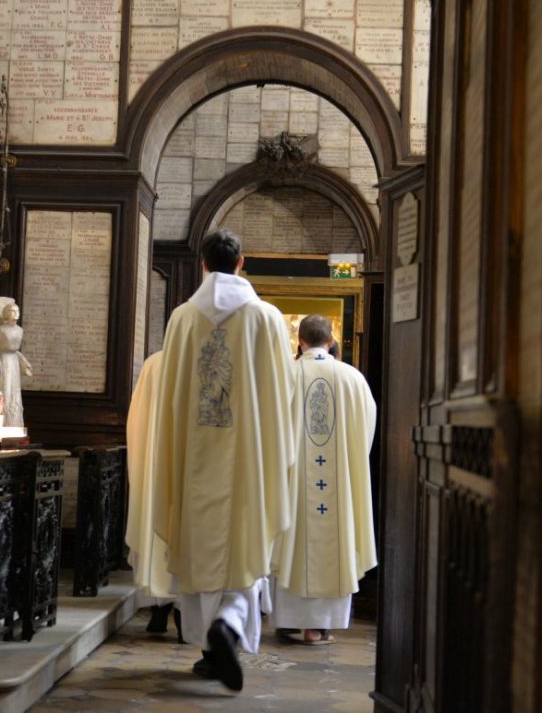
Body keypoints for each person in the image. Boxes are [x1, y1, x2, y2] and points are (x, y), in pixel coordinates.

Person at [150, 229, 297, 691]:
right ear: (242, 262)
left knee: (197, 549)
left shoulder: (182, 319)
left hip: (193, 459)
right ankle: (230, 626)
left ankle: (211, 651)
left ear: (203, 265)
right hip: (249, 459)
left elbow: (170, 397)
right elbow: (283, 392)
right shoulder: (267, 318)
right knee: (245, 545)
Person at [272, 315, 377, 645]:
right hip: (338, 484)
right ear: (330, 341)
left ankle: (287, 620)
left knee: (290, 541)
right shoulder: (352, 379)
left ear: (299, 341)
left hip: (292, 481)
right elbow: (366, 431)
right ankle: (317, 627)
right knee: (337, 542)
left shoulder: (285, 376)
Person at [124, 349, 182, 641]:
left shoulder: (153, 363)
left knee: (156, 531)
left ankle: (160, 609)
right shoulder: (202, 358)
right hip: (187, 468)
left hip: (155, 466)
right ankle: (184, 615)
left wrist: (141, 461)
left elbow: (137, 418)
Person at [0, 301, 32, 427]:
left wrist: (24, 363)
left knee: (14, 391)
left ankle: (14, 421)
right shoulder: (1, 330)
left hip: (14, 361)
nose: (16, 313)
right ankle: (2, 421)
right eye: (12, 311)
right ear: (6, 314)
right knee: (5, 388)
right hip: (5, 361)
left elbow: (16, 351)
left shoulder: (20, 330)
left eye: (17, 311)